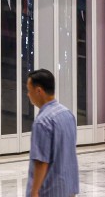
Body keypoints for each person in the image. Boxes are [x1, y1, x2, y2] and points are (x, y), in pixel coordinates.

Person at [25, 69, 80, 197]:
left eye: (29, 90)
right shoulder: (67, 114)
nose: (28, 94)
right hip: (68, 188)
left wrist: (34, 192)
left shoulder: (42, 122)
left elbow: (41, 161)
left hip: (49, 191)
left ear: (39, 91)